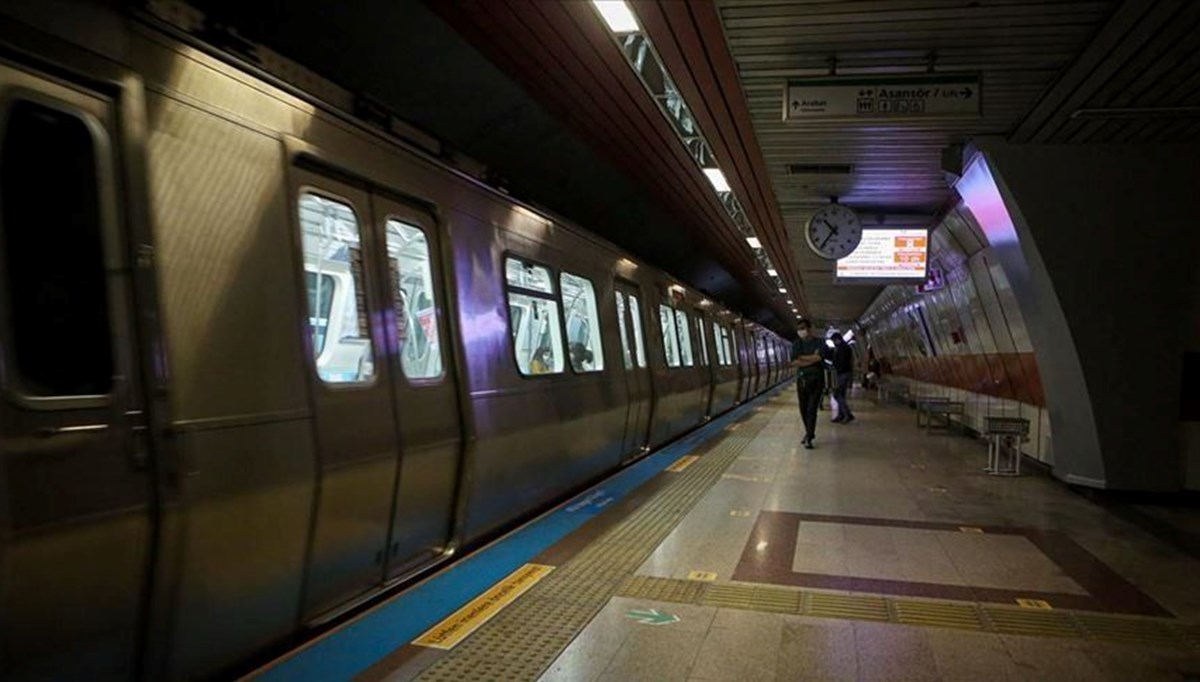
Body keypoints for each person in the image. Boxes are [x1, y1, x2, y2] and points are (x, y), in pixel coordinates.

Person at [790, 319, 828, 449]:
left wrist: (802, 357)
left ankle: (809, 436)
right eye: (799, 329)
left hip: (817, 381)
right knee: (803, 409)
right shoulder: (797, 343)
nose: (801, 331)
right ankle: (808, 433)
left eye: (803, 328)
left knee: (812, 409)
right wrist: (812, 358)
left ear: (809, 328)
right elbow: (794, 362)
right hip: (802, 380)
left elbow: (819, 357)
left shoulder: (820, 342)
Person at [829, 332, 855, 424]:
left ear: (837, 339)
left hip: (841, 374)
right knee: (841, 395)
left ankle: (847, 414)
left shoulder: (842, 349)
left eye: (834, 341)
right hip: (844, 373)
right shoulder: (845, 347)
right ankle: (841, 415)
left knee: (837, 394)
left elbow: (840, 363)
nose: (834, 343)